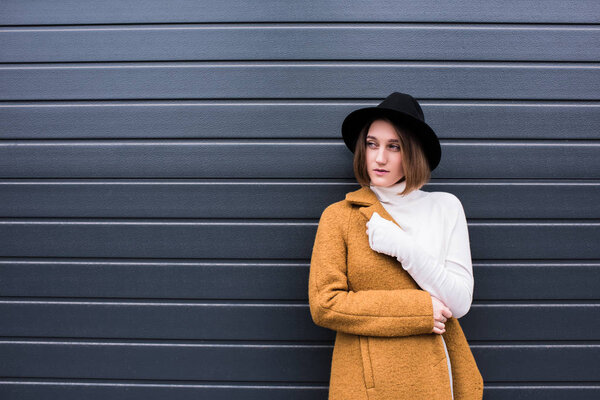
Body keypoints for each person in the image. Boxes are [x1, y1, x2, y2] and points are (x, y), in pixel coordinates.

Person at [308, 92, 484, 399]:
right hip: (368, 386)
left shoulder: (445, 207)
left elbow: (458, 303)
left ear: (413, 152)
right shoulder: (339, 216)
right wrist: (417, 310)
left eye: (394, 146)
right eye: (372, 144)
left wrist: (404, 246)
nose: (379, 158)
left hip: (436, 380)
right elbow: (325, 304)